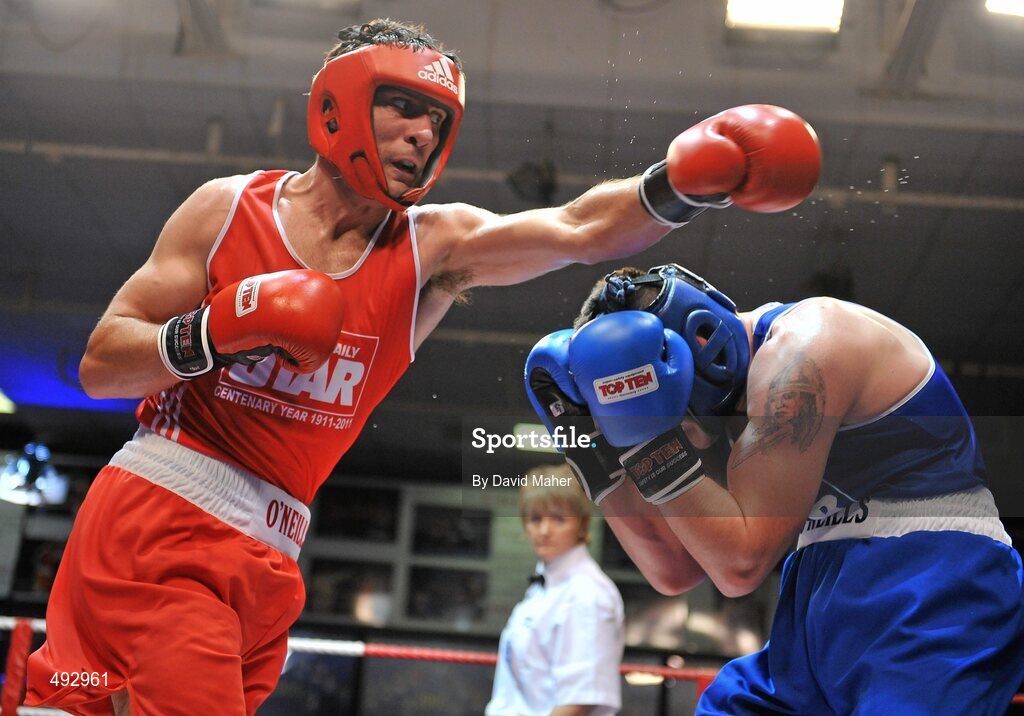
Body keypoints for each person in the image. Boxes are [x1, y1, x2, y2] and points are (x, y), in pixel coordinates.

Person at [23, 15, 821, 715]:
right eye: (404, 107)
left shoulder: (430, 246)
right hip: (160, 521)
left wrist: (679, 186)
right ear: (335, 105)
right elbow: (101, 364)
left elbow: (577, 229)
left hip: (269, 553)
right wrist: (209, 334)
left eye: (438, 120)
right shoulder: (225, 209)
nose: (423, 135)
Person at [524, 263, 1024, 714]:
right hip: (818, 597)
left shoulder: (810, 344)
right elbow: (676, 567)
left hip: (932, 587)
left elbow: (741, 564)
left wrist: (646, 435)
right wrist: (592, 448)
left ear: (697, 341)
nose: (684, 438)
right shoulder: (717, 402)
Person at [486, 468, 624, 716]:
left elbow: (579, 702)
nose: (544, 530)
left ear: (582, 524)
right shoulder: (544, 587)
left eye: (559, 518)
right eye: (536, 518)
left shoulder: (587, 594)